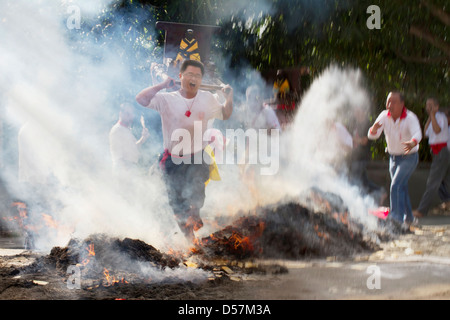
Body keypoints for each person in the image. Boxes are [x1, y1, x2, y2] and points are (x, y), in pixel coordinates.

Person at [135, 59, 233, 241]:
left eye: (197, 75)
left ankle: (194, 215)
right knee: (177, 205)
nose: (194, 78)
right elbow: (141, 99)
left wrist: (229, 98)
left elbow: (225, 114)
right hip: (173, 160)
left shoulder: (207, 98)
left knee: (196, 194)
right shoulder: (166, 99)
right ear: (181, 76)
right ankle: (191, 240)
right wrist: (163, 85)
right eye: (190, 74)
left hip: (197, 157)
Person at [368, 91, 422, 227]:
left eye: (394, 102)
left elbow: (418, 133)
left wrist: (412, 142)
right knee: (401, 187)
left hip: (409, 157)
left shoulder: (410, 117)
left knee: (396, 185)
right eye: (388, 101)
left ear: (402, 104)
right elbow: (372, 135)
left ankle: (396, 219)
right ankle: (409, 218)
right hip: (393, 158)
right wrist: (373, 129)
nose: (390, 105)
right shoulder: (383, 116)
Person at [413, 98, 450, 218]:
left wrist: (433, 115)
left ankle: (422, 210)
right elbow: (425, 133)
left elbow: (437, 130)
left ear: (436, 106)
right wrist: (429, 117)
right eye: (427, 104)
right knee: (446, 180)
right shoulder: (433, 117)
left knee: (432, 182)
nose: (427, 107)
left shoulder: (441, 117)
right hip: (436, 153)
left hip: (441, 152)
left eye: (430, 105)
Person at [109, 102, 150, 177]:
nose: (131, 117)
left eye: (132, 114)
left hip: (130, 169)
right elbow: (118, 158)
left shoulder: (126, 130)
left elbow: (132, 149)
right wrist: (127, 175)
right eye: (128, 114)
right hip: (123, 172)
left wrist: (143, 138)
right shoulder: (117, 130)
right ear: (121, 113)